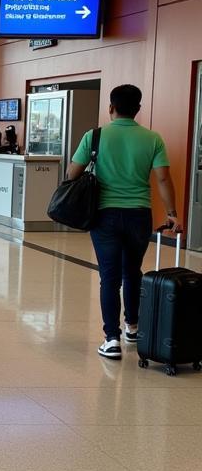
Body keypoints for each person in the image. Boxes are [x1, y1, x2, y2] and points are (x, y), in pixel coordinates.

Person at [67, 84, 181, 359]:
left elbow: (72, 174)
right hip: (139, 214)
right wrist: (172, 213)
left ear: (110, 107)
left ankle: (111, 339)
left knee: (109, 276)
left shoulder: (94, 136)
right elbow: (163, 178)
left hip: (104, 215)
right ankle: (133, 327)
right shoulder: (152, 138)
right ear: (138, 109)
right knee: (133, 272)